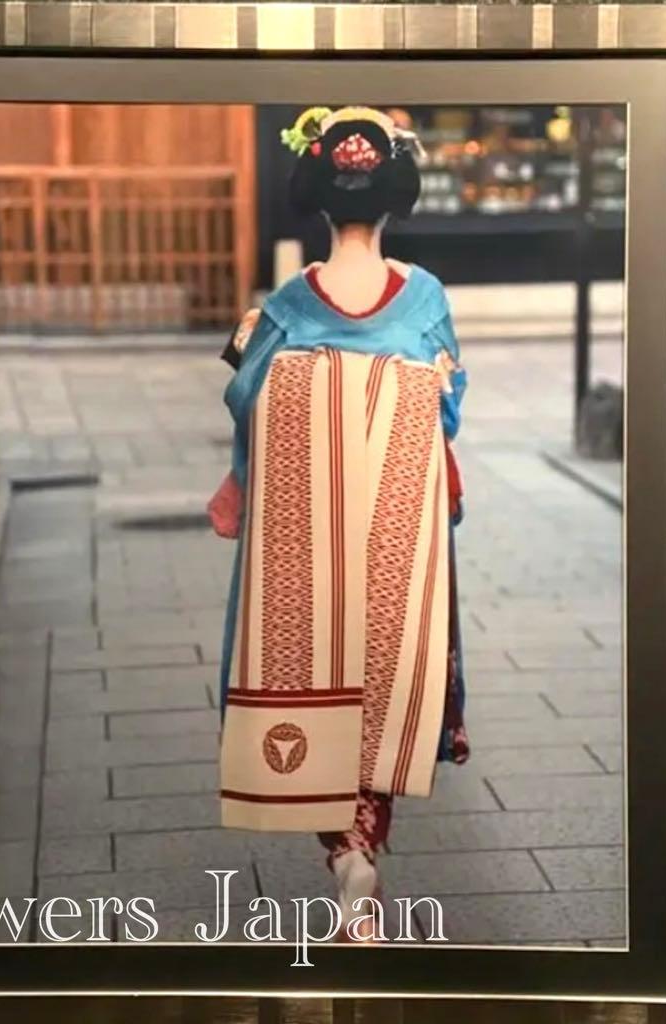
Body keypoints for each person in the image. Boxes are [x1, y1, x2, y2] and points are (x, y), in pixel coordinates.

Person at [208, 106, 469, 942]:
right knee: (385, 663)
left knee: (308, 658)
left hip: (303, 530)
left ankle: (345, 854)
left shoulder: (287, 306)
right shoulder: (422, 298)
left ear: (318, 199)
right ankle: (366, 840)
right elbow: (449, 404)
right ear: (395, 199)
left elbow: (246, 398)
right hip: (396, 525)